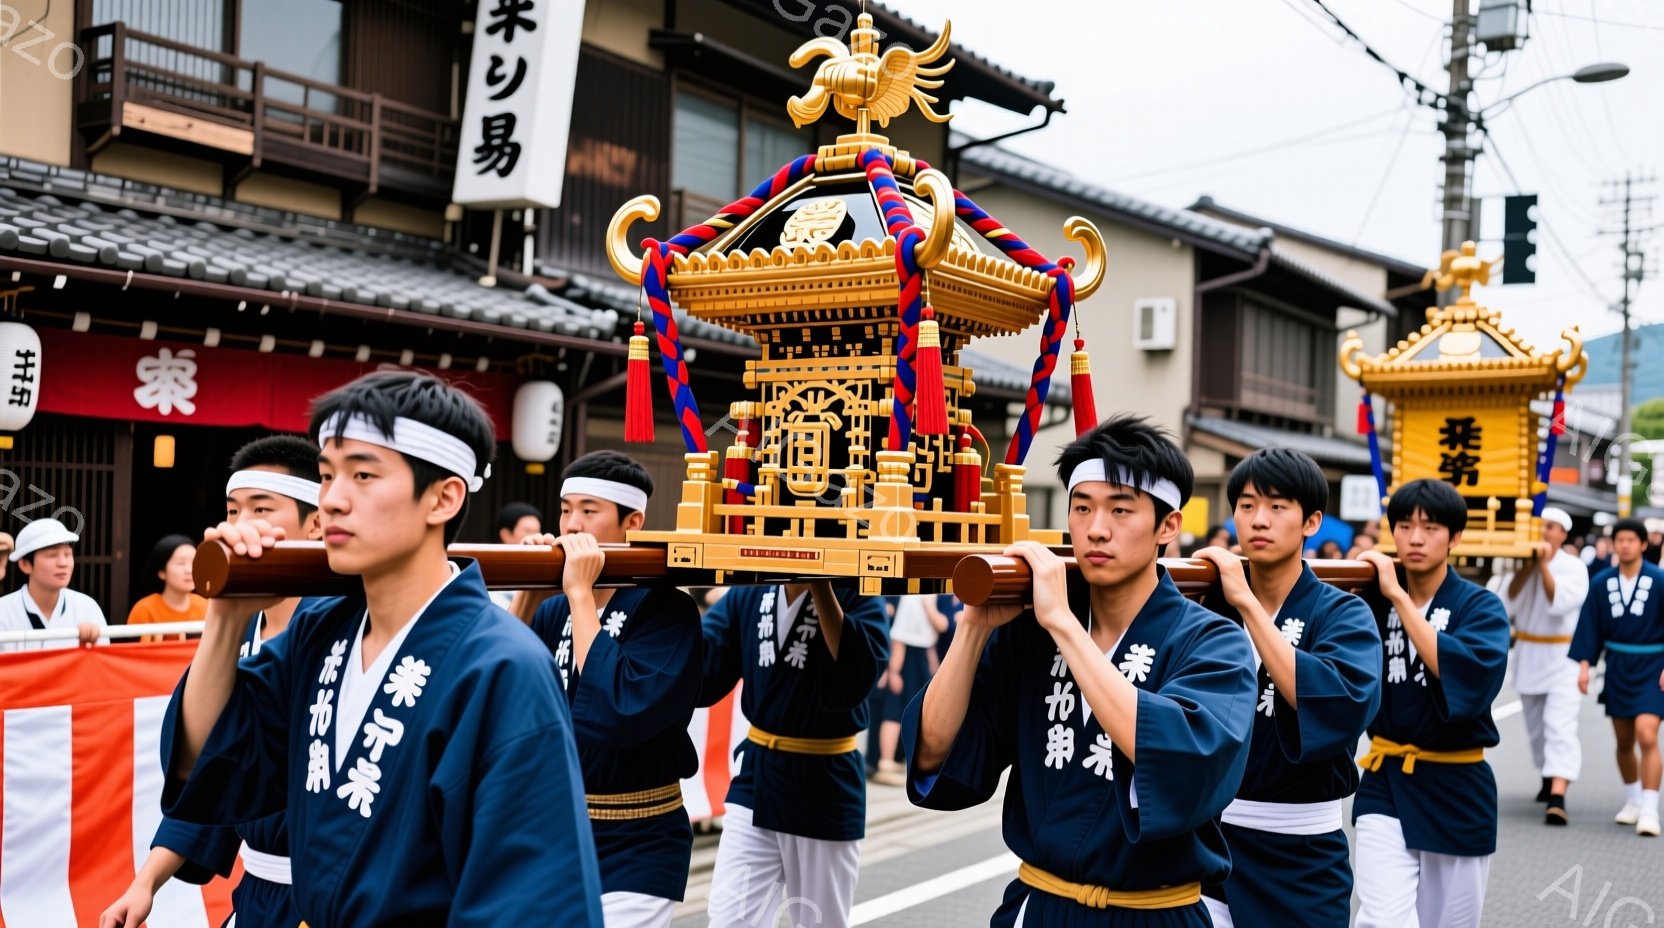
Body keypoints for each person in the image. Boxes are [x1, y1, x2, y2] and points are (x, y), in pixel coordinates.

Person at [159, 370, 604, 926]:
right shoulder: (321, 632)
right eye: (327, 476)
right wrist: (225, 620)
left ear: (443, 498)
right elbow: (212, 761)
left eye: (363, 475)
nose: (334, 501)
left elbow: (530, 901)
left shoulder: (502, 666)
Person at [906, 415, 1257, 926]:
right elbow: (938, 750)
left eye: (1120, 509)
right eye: (1082, 507)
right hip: (1040, 904)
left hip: (1150, 914)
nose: (1095, 528)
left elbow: (1184, 761)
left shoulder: (1212, 641)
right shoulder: (1031, 629)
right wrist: (974, 628)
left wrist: (1063, 625)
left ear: (1168, 526)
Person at [103, 435, 326, 928]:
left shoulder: (348, 631)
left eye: (262, 509)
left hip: (331, 899)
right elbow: (211, 775)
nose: (240, 527)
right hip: (257, 896)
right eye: (232, 511)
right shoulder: (237, 628)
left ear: (316, 523)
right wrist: (146, 882)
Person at [1192, 449, 1381, 928]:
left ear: (1311, 522)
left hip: (1301, 855)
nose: (1259, 520)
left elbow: (1342, 702)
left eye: (1278, 507)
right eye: (1248, 505)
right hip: (1208, 845)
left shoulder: (1343, 613)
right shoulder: (1208, 606)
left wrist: (1246, 603)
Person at [524, 450, 703, 927]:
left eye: (589, 510)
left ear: (633, 521)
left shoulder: (667, 610)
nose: (572, 524)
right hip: (556, 829)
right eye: (566, 509)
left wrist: (580, 594)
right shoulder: (553, 610)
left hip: (639, 837)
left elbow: (618, 710)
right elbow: (513, 699)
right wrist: (531, 591)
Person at [1352, 479, 1510, 928]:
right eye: (1404, 526)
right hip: (1385, 778)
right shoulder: (1368, 600)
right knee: (1381, 920)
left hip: (1456, 784)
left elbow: (1469, 674)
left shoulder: (1481, 607)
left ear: (1455, 537)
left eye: (1430, 527)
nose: (1415, 538)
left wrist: (1399, 598)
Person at [698, 568, 888, 928]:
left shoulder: (857, 589)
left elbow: (858, 676)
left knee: (820, 922)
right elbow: (702, 668)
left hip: (823, 781)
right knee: (730, 920)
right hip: (757, 775)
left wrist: (821, 585)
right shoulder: (750, 589)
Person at [1570, 517, 1664, 837]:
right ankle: (1633, 799)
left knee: (1647, 734)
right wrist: (1585, 665)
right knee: (1624, 740)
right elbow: (1590, 626)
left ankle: (1650, 808)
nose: (1624, 545)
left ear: (1642, 544)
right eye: (1619, 540)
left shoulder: (1660, 579)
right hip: (1618, 665)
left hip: (1653, 664)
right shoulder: (1601, 582)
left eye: (1630, 540)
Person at [1504, 506, 1590, 824]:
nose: (1545, 532)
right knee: (1536, 727)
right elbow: (1506, 603)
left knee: (1560, 725)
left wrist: (1542, 565)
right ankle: (1547, 775)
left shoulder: (1574, 567)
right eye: (1541, 525)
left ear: (1563, 534)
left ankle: (1558, 794)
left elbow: (1559, 603)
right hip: (1529, 652)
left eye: (1552, 527)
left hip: (1563, 657)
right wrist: (1529, 566)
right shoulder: (1520, 563)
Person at [0, 517, 107, 652]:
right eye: (52, 555)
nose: (63, 563)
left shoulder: (87, 608)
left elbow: (102, 665)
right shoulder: (3, 612)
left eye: (67, 554)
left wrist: (90, 647)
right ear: (25, 564)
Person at [873, 594, 946, 786]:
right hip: (905, 659)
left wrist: (934, 666)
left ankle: (910, 761)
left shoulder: (929, 596)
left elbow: (931, 636)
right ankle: (886, 762)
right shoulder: (913, 597)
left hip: (920, 658)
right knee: (894, 712)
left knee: (920, 712)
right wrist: (894, 671)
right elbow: (899, 636)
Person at [127, 534, 209, 643]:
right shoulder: (144, 609)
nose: (189, 570)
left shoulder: (205, 607)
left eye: (194, 562)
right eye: (181, 563)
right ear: (162, 572)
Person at [490, 502, 544, 610]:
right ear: (506, 534)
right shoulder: (489, 573)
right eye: (528, 531)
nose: (535, 537)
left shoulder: (542, 572)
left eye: (538, 532)